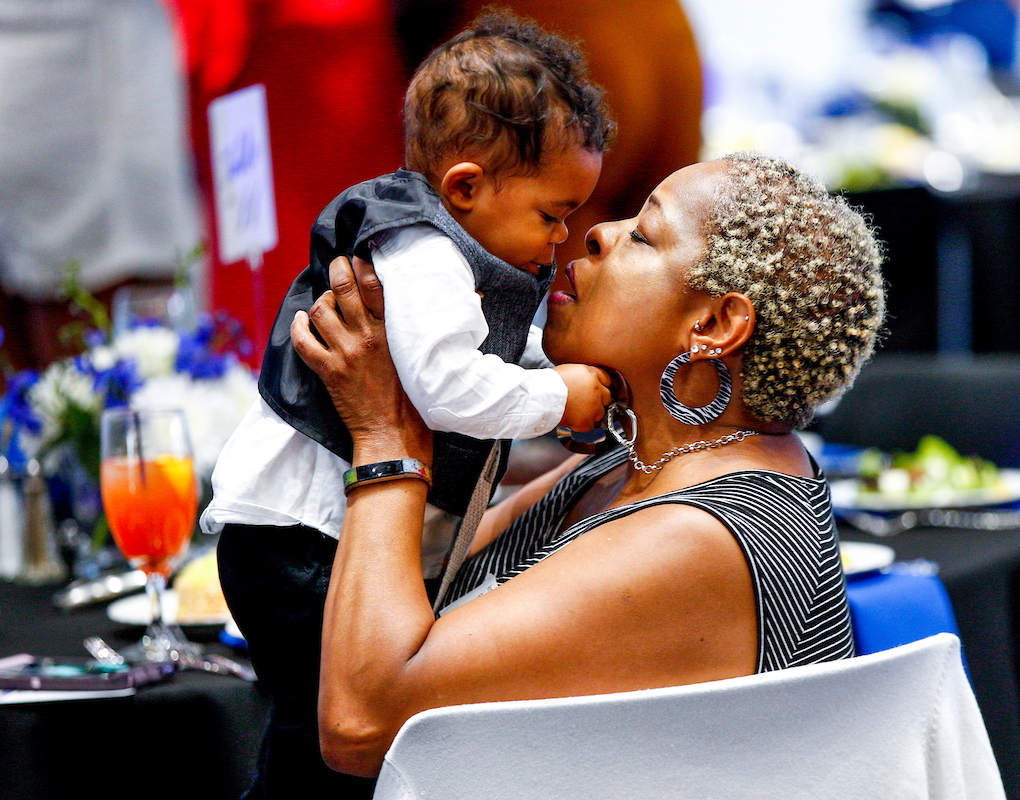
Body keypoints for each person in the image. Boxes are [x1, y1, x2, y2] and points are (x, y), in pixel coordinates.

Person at [292, 152, 886, 778]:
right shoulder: (634, 464)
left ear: (713, 324)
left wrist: (385, 436)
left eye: (643, 234)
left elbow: (361, 721)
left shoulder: (699, 538)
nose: (599, 232)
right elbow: (420, 576)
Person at [203, 14, 615, 797]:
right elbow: (446, 386)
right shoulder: (425, 253)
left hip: (312, 535)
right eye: (553, 213)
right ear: (465, 187)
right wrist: (558, 393)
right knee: (328, 733)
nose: (565, 236)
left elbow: (470, 357)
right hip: (298, 538)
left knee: (320, 726)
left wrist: (539, 364)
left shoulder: (457, 248)